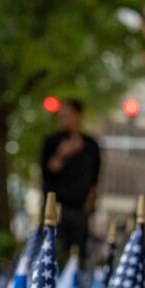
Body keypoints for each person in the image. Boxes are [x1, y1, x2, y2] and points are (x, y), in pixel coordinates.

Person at [41, 99, 101, 259]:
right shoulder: (53, 142)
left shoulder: (91, 145)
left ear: (78, 116)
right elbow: (48, 172)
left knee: (78, 252)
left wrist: (90, 205)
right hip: (58, 207)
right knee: (57, 251)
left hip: (80, 208)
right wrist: (63, 153)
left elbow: (95, 179)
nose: (65, 120)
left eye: (68, 115)